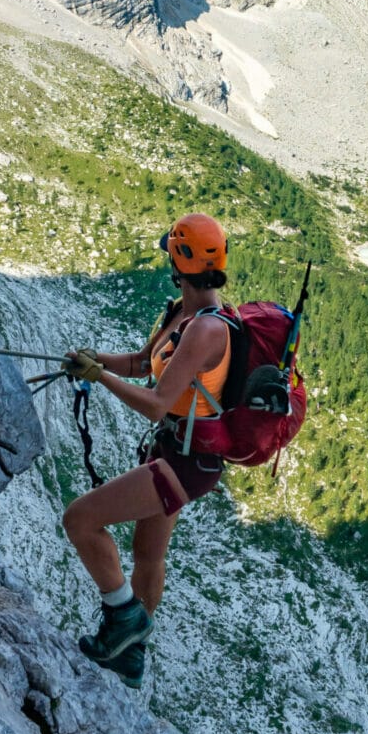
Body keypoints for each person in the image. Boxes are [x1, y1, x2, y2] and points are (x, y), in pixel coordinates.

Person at [61, 212, 234, 688]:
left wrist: (101, 378)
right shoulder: (184, 314)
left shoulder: (206, 331)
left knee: (80, 519)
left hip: (184, 460)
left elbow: (157, 405)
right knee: (147, 553)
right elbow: (144, 362)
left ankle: (123, 619)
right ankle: (130, 656)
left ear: (179, 261)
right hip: (178, 452)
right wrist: (97, 360)